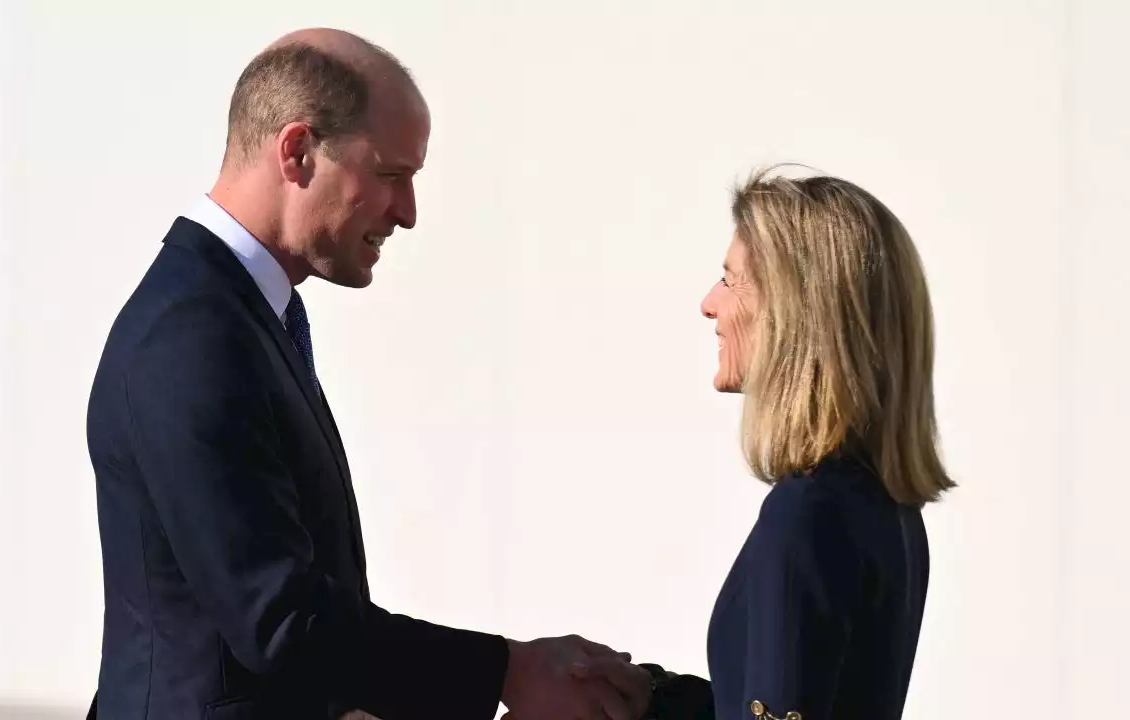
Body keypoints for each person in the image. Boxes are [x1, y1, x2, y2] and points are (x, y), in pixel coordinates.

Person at [83, 28, 649, 720]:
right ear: (297, 152)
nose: (407, 213)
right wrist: (505, 671)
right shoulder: (193, 335)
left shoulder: (241, 318)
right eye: (390, 176)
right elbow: (278, 619)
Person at [635, 168, 956, 720]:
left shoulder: (808, 514)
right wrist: (647, 699)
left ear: (794, 310)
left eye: (731, 280)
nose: (709, 304)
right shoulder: (885, 508)